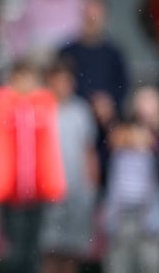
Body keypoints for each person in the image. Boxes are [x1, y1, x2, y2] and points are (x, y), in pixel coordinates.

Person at [0, 60, 66, 273]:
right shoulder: (2, 104)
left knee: (34, 250)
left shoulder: (41, 105)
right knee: (15, 251)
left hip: (37, 194)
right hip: (12, 195)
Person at [59, 0, 130, 185]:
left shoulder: (114, 53)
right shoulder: (67, 51)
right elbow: (59, 86)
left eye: (96, 10)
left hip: (106, 130)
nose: (91, 15)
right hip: (72, 131)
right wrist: (85, 105)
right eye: (88, 10)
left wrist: (109, 104)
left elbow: (122, 86)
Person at [101, 85, 159, 273]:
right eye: (143, 100)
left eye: (152, 101)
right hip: (121, 213)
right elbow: (105, 165)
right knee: (119, 265)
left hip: (150, 216)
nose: (147, 107)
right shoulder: (120, 133)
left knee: (152, 265)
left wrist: (153, 145)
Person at [40, 60, 98, 273]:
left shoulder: (81, 111)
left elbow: (89, 151)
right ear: (50, 80)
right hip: (49, 194)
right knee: (49, 250)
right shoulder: (40, 108)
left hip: (77, 192)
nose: (65, 84)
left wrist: (91, 186)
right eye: (60, 79)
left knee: (72, 251)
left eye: (68, 80)